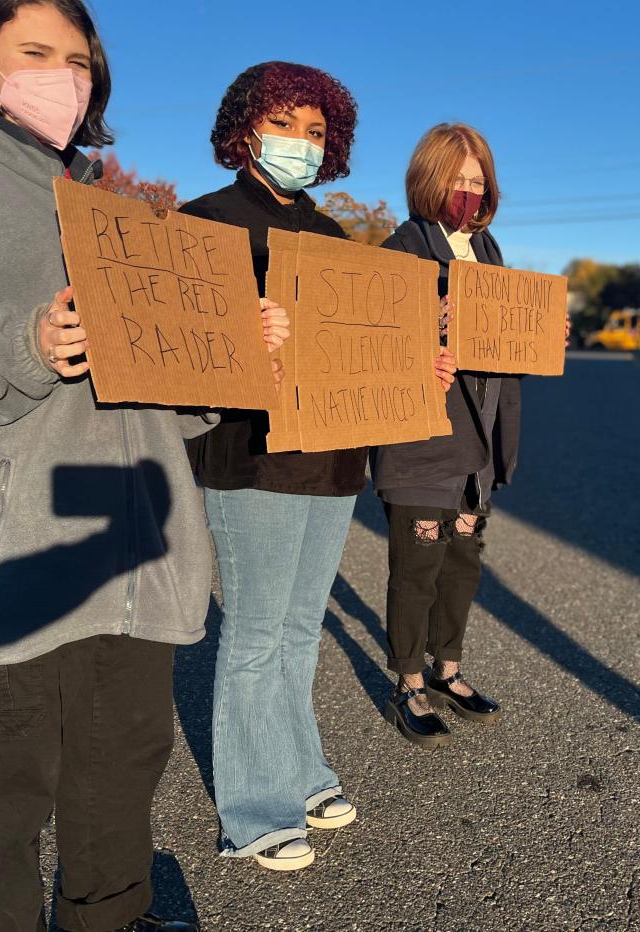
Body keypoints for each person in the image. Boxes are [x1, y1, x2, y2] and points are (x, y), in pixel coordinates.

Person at [0, 2, 291, 929]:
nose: (65, 78)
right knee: (10, 798)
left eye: (79, 61)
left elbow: (167, 400)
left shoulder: (119, 213)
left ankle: (109, 917)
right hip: (15, 567)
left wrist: (235, 357)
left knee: (121, 779)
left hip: (138, 564)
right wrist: (26, 342)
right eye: (36, 53)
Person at [179, 62, 457, 870]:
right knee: (257, 635)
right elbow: (186, 357)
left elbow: (363, 353)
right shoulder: (205, 224)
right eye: (285, 123)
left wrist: (416, 371)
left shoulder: (335, 239)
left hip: (334, 461)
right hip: (250, 457)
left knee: (300, 631)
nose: (301, 142)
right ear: (244, 127)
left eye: (316, 130)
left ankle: (300, 775)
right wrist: (240, 334)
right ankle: (254, 812)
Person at [371, 124, 568, 749]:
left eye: (477, 180)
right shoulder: (402, 248)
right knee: (417, 566)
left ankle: (447, 669)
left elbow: (500, 337)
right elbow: (365, 342)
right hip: (424, 438)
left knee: (462, 563)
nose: (467, 190)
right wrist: (425, 326)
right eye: (457, 178)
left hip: (480, 440)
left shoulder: (488, 249)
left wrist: (540, 336)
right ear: (429, 179)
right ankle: (407, 680)